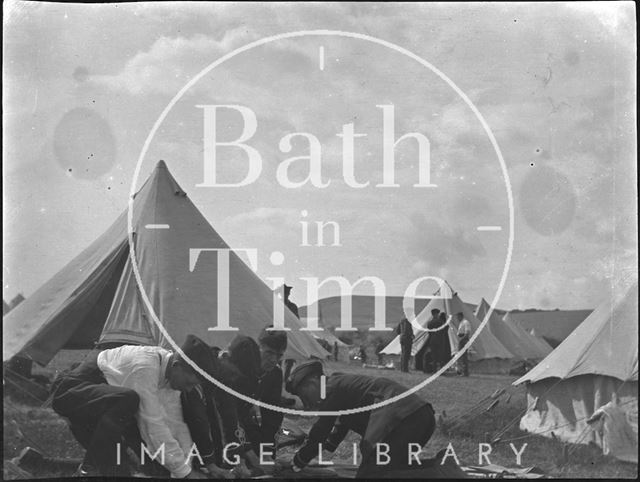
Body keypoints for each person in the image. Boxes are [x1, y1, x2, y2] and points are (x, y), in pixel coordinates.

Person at [51, 336, 214, 478]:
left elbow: (175, 423)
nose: (188, 390)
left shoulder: (169, 370)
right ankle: (88, 470)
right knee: (128, 400)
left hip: (103, 409)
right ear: (177, 365)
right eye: (189, 383)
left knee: (152, 470)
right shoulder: (145, 368)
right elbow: (152, 424)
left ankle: (93, 465)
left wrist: (186, 466)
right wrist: (184, 472)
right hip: (70, 394)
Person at [283, 361, 436, 478]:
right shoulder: (341, 384)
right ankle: (439, 468)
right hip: (422, 415)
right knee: (395, 468)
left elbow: (322, 429)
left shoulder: (330, 389)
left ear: (312, 382)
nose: (306, 403)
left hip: (402, 418)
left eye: (303, 395)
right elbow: (343, 419)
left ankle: (439, 470)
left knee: (370, 472)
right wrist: (330, 444)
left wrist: (299, 459)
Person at [456, 312, 471, 376]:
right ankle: (462, 371)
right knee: (461, 356)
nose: (457, 318)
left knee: (463, 356)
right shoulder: (461, 322)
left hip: (464, 340)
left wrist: (461, 339)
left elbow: (467, 333)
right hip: (461, 339)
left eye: (458, 317)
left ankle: (465, 372)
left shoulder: (465, 322)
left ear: (460, 316)